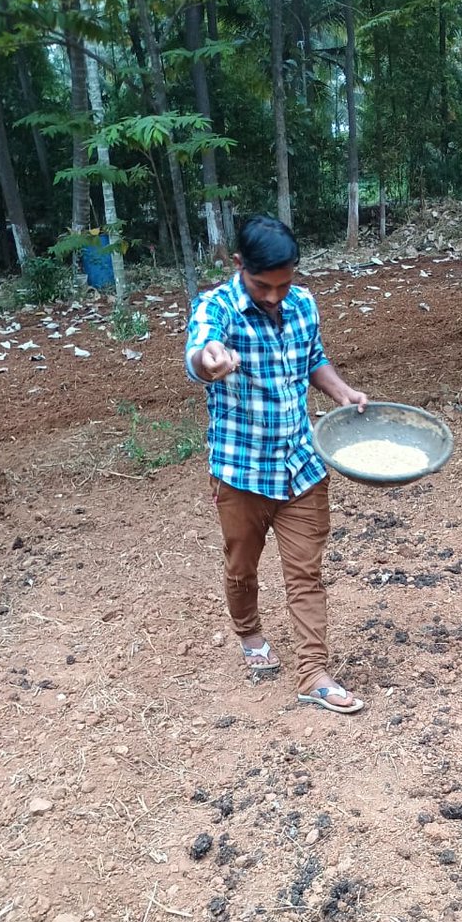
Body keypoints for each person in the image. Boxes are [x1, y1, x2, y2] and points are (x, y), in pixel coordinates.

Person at [185, 215, 368, 714]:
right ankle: (249, 633)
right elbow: (200, 351)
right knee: (242, 567)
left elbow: (314, 361)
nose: (274, 297)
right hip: (241, 472)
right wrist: (210, 360)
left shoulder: (302, 303)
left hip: (302, 466)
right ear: (239, 265)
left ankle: (314, 673)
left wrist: (342, 391)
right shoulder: (216, 308)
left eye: (283, 285)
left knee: (305, 574)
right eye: (263, 286)